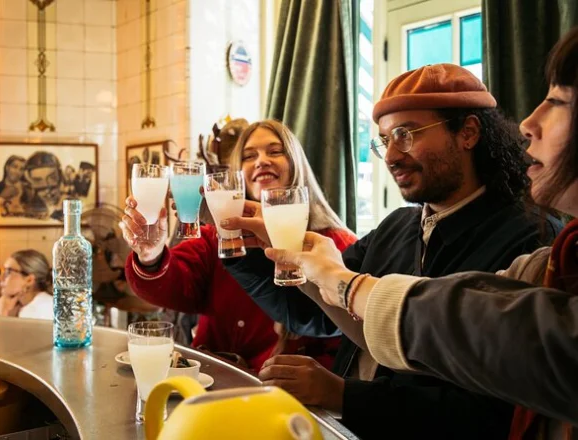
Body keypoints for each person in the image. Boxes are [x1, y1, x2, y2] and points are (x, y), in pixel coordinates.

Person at [264, 27, 578, 438]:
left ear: (468, 133)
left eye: (405, 135)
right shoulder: (398, 225)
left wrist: (342, 393)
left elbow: (490, 409)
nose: (391, 156)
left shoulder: (531, 236)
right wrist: (266, 251)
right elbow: (355, 320)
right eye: (384, 140)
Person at [120, 119, 356, 371]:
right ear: (237, 175)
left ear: (297, 164)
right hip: (209, 381)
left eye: (275, 151)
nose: (261, 161)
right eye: (249, 156)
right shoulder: (214, 238)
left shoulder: (336, 245)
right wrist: (152, 254)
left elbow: (344, 340)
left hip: (279, 390)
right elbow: (174, 287)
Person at [0, 249, 54, 320]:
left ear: (29, 280)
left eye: (8, 272)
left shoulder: (40, 310)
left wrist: (2, 313)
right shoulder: (25, 307)